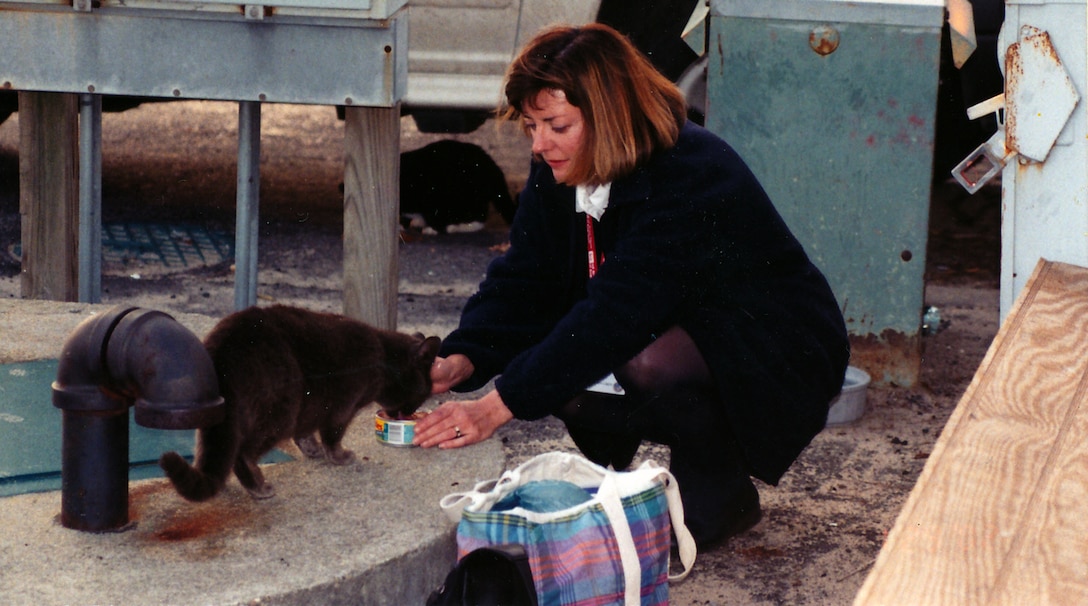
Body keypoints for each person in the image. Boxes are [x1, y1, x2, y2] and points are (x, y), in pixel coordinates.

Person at [413, 23, 850, 548]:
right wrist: (463, 357)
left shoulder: (693, 171)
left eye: (555, 125)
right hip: (683, 333)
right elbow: (523, 277)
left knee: (630, 355)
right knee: (561, 352)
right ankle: (615, 477)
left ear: (609, 114)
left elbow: (618, 315)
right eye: (531, 126)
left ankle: (718, 495)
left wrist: (495, 406)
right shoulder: (559, 163)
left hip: (776, 353)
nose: (539, 143)